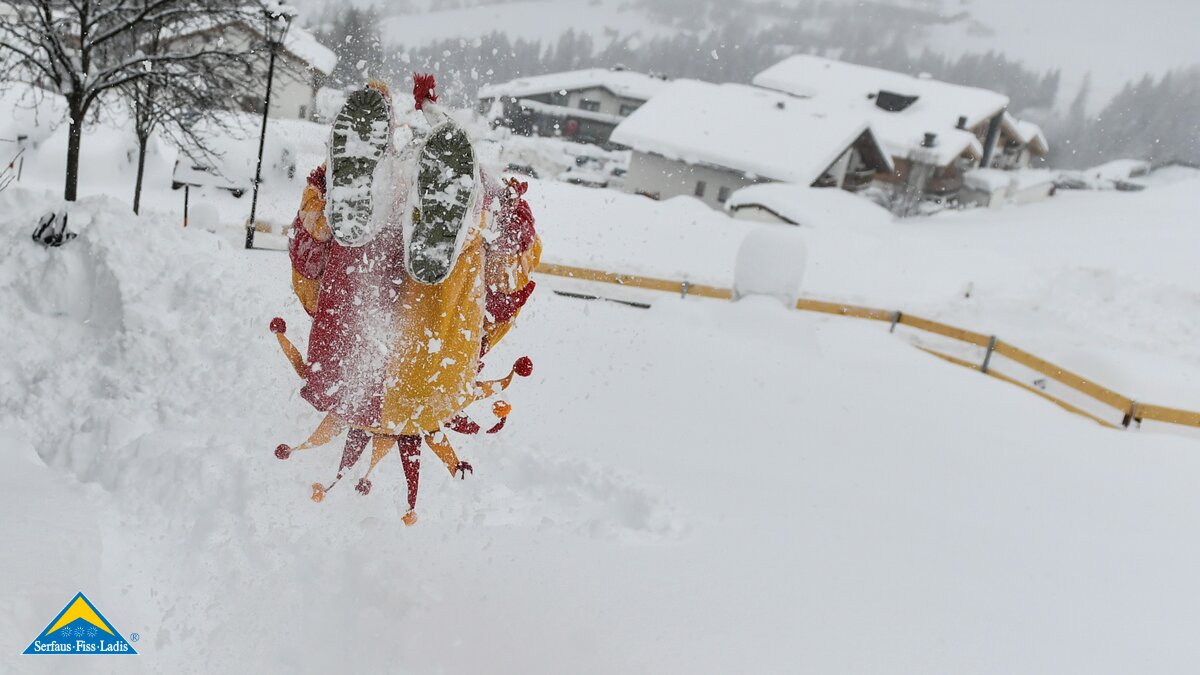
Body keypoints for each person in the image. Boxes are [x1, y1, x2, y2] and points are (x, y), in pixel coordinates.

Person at [270, 74, 540, 526]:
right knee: (467, 269)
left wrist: (320, 186)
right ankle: (467, 210)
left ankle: (377, 200)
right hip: (428, 382)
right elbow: (511, 281)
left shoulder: (338, 392)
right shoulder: (443, 400)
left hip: (348, 371)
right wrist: (506, 203)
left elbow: (307, 266)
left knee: (345, 263)